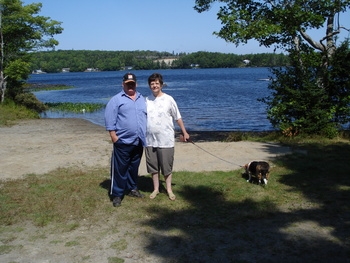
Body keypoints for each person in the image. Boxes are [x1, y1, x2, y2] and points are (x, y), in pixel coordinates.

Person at [104, 72, 147, 207]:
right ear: (123, 84)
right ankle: (117, 194)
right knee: (120, 169)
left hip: (138, 141)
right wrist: (114, 136)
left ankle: (132, 189)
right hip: (122, 141)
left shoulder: (141, 98)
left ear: (136, 84)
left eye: (132, 84)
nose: (130, 86)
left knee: (133, 168)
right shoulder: (116, 100)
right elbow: (110, 118)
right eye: (128, 84)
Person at [145, 73, 190, 201]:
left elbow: (178, 117)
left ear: (161, 84)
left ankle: (169, 189)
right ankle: (156, 189)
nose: (154, 85)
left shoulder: (169, 99)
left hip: (166, 139)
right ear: (149, 86)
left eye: (157, 83)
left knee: (166, 166)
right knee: (153, 166)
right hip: (149, 140)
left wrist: (184, 132)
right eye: (152, 83)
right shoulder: (146, 100)